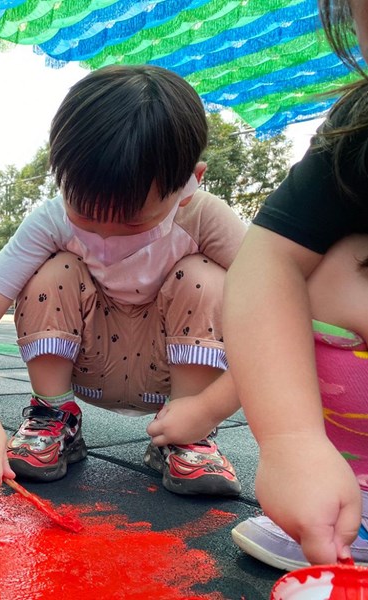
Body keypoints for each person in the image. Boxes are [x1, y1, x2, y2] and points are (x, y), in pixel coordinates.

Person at [0, 65, 247, 498]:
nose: (105, 233)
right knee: (52, 270)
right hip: (90, 359)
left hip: (171, 374)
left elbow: (283, 317)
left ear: (190, 183)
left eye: (131, 218)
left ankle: (185, 439)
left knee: (207, 277)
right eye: (86, 213)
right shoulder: (51, 218)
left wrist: (208, 408)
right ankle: (55, 417)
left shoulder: (203, 216)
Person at [224, 0, 368, 570]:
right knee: (331, 266)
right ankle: (353, 485)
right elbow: (263, 264)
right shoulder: (360, 129)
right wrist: (291, 441)